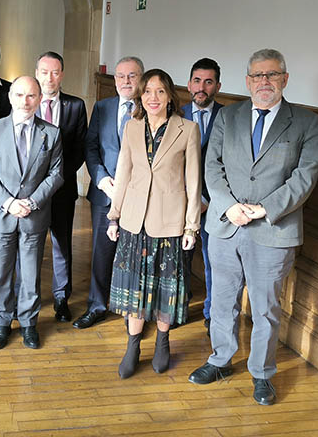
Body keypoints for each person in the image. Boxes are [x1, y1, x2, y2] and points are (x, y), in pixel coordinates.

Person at [189, 49, 318, 406]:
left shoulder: (307, 123)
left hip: (273, 231)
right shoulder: (227, 116)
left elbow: (304, 178)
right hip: (226, 225)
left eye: (272, 75)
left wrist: (264, 209)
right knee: (221, 301)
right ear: (247, 81)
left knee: (264, 309)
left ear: (285, 79)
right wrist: (228, 206)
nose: (264, 81)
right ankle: (219, 360)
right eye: (257, 76)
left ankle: (262, 373)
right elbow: (210, 166)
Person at [106, 68, 201, 378]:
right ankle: (133, 346)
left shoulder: (187, 129)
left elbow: (193, 181)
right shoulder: (131, 128)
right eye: (147, 91)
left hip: (170, 223)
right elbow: (123, 174)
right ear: (140, 96)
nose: (153, 98)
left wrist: (191, 226)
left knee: (164, 289)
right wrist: (114, 215)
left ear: (170, 95)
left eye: (160, 91)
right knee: (135, 288)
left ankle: (162, 341)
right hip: (134, 222)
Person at [0, 76, 64, 350]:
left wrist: (32, 202)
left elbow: (56, 174)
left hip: (33, 215)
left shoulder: (51, 133)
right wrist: (8, 202)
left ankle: (29, 323)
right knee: (1, 274)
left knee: (30, 274)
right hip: (2, 214)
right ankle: (2, 323)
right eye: (19, 95)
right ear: (10, 97)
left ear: (39, 99)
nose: (25, 102)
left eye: (31, 96)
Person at [74, 56, 144, 330]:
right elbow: (91, 147)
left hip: (139, 197)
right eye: (121, 76)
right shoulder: (102, 107)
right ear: (114, 79)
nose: (126, 81)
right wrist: (102, 179)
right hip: (105, 194)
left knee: (135, 254)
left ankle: (132, 309)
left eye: (132, 76)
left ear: (141, 78)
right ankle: (97, 306)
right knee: (102, 253)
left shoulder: (150, 108)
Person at [33, 51, 87, 323]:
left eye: (55, 72)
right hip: (29, 192)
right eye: (44, 71)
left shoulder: (76, 106)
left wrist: (55, 179)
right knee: (30, 244)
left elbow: (79, 149)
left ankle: (61, 297)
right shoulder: (24, 102)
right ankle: (28, 295)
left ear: (62, 75)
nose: (49, 77)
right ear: (37, 73)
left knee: (61, 243)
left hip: (63, 188)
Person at [181, 57, 224, 334]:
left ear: (217, 86)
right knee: (179, 260)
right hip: (178, 202)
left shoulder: (229, 117)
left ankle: (211, 313)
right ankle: (178, 307)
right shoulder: (176, 114)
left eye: (208, 82)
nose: (202, 87)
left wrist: (206, 200)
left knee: (212, 262)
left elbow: (229, 164)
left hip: (213, 204)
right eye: (197, 80)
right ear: (188, 84)